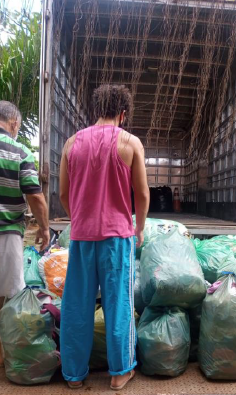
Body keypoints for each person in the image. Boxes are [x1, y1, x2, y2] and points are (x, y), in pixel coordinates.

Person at [58, 85, 149, 390]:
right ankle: (120, 373)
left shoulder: (71, 143)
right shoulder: (130, 142)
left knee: (77, 305)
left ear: (96, 110)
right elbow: (142, 194)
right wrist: (139, 228)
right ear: (123, 114)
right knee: (118, 304)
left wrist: (79, 219)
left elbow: (63, 193)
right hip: (117, 239)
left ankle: (74, 375)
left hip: (82, 237)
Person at [0, 101, 50, 368]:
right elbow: (35, 196)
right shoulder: (18, 151)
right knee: (9, 296)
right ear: (14, 123)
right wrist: (44, 227)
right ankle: (5, 355)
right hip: (6, 231)